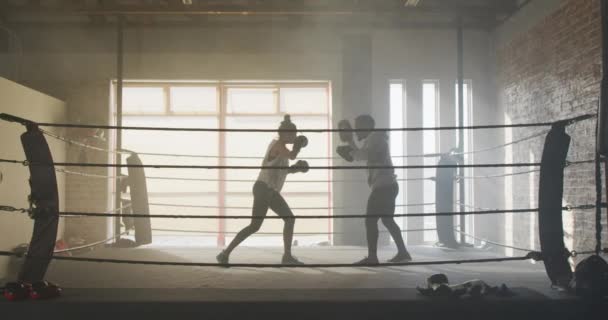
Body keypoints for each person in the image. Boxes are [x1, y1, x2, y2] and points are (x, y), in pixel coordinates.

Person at [217, 115, 309, 265]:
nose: (295, 137)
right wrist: (298, 147)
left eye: (296, 134)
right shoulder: (278, 145)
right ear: (284, 134)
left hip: (270, 191)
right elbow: (292, 156)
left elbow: (282, 170)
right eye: (293, 134)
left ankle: (287, 256)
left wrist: (297, 169)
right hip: (263, 189)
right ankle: (224, 253)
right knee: (255, 226)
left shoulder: (283, 150)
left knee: (289, 219)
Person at [337, 115, 412, 264]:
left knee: (370, 221)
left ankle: (372, 257)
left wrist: (350, 144)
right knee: (388, 220)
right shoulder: (374, 139)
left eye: (357, 127)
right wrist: (351, 149)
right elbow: (363, 155)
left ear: (365, 126)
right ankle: (403, 252)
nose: (355, 130)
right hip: (387, 185)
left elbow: (364, 155)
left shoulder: (375, 138)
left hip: (383, 187)